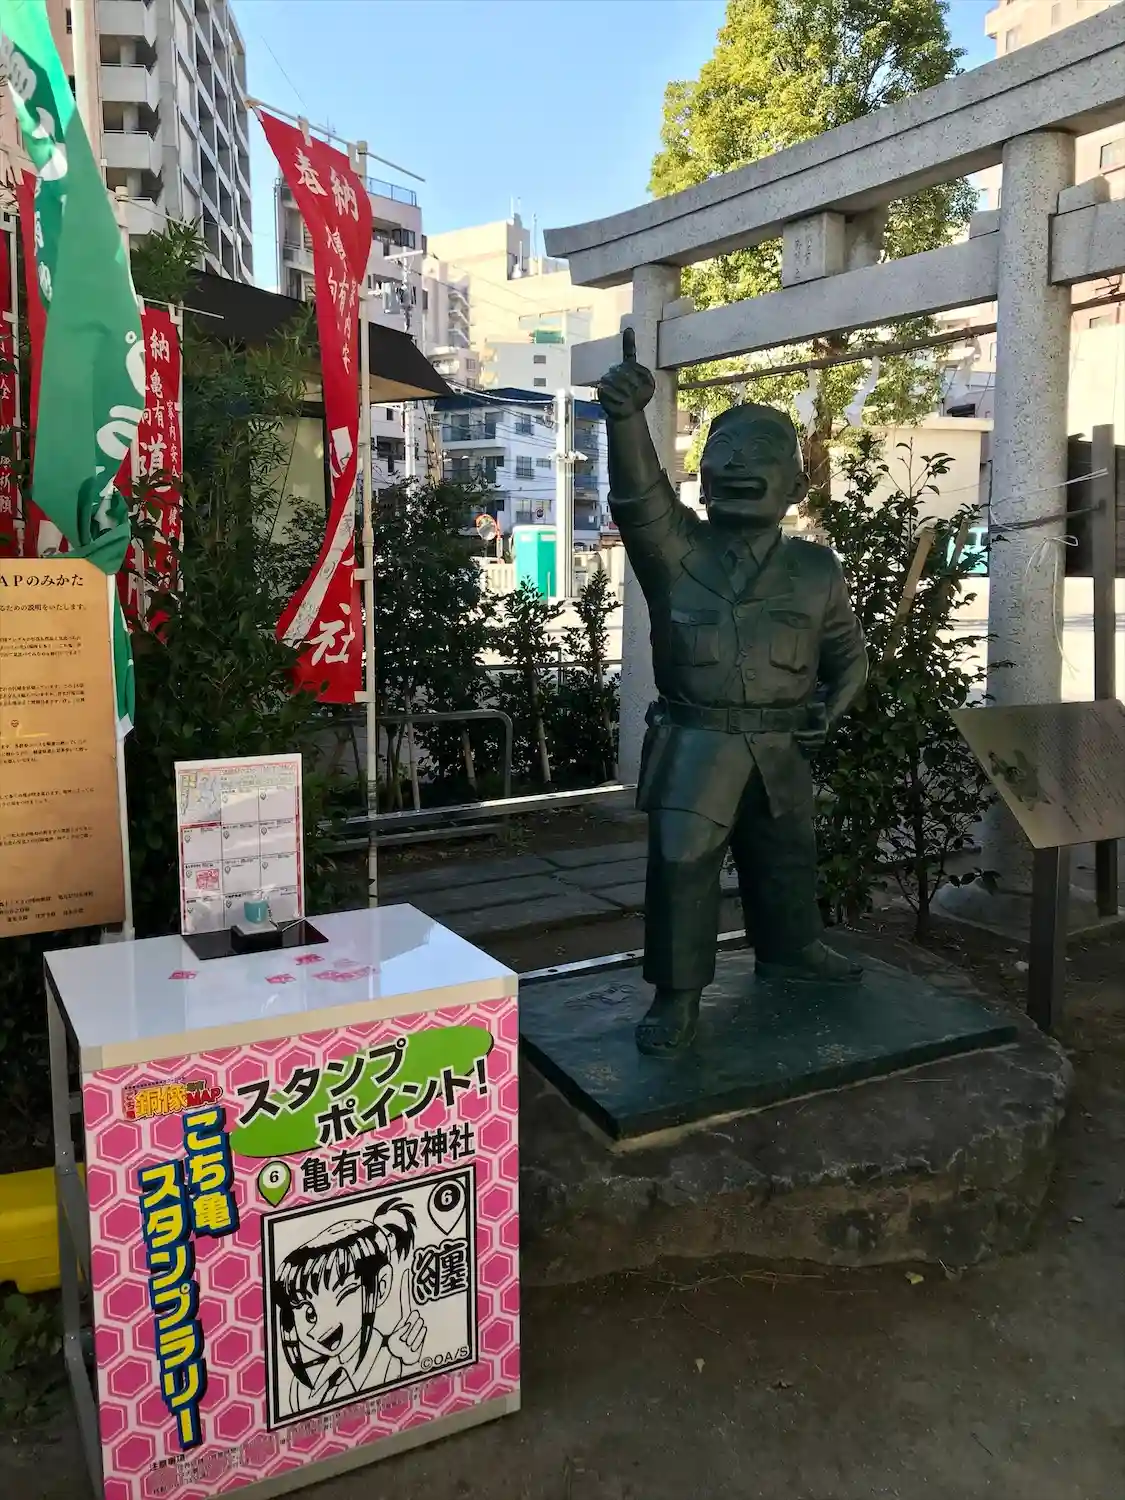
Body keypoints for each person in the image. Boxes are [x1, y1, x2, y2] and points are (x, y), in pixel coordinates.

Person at [597, 330, 868, 1057]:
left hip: (781, 748)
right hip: (696, 743)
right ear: (704, 481)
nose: (742, 464)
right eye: (726, 452)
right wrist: (627, 417)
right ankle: (677, 993)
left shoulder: (817, 570)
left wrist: (832, 707)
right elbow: (637, 497)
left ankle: (793, 949)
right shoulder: (676, 551)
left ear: (797, 487)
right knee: (682, 863)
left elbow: (849, 660)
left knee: (786, 856)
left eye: (764, 453)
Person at [272, 1199, 425, 1413]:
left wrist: (407, 1362)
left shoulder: (390, 1362)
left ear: (382, 1286)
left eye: (342, 1294)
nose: (321, 1327)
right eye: (309, 1312)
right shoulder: (302, 1387)